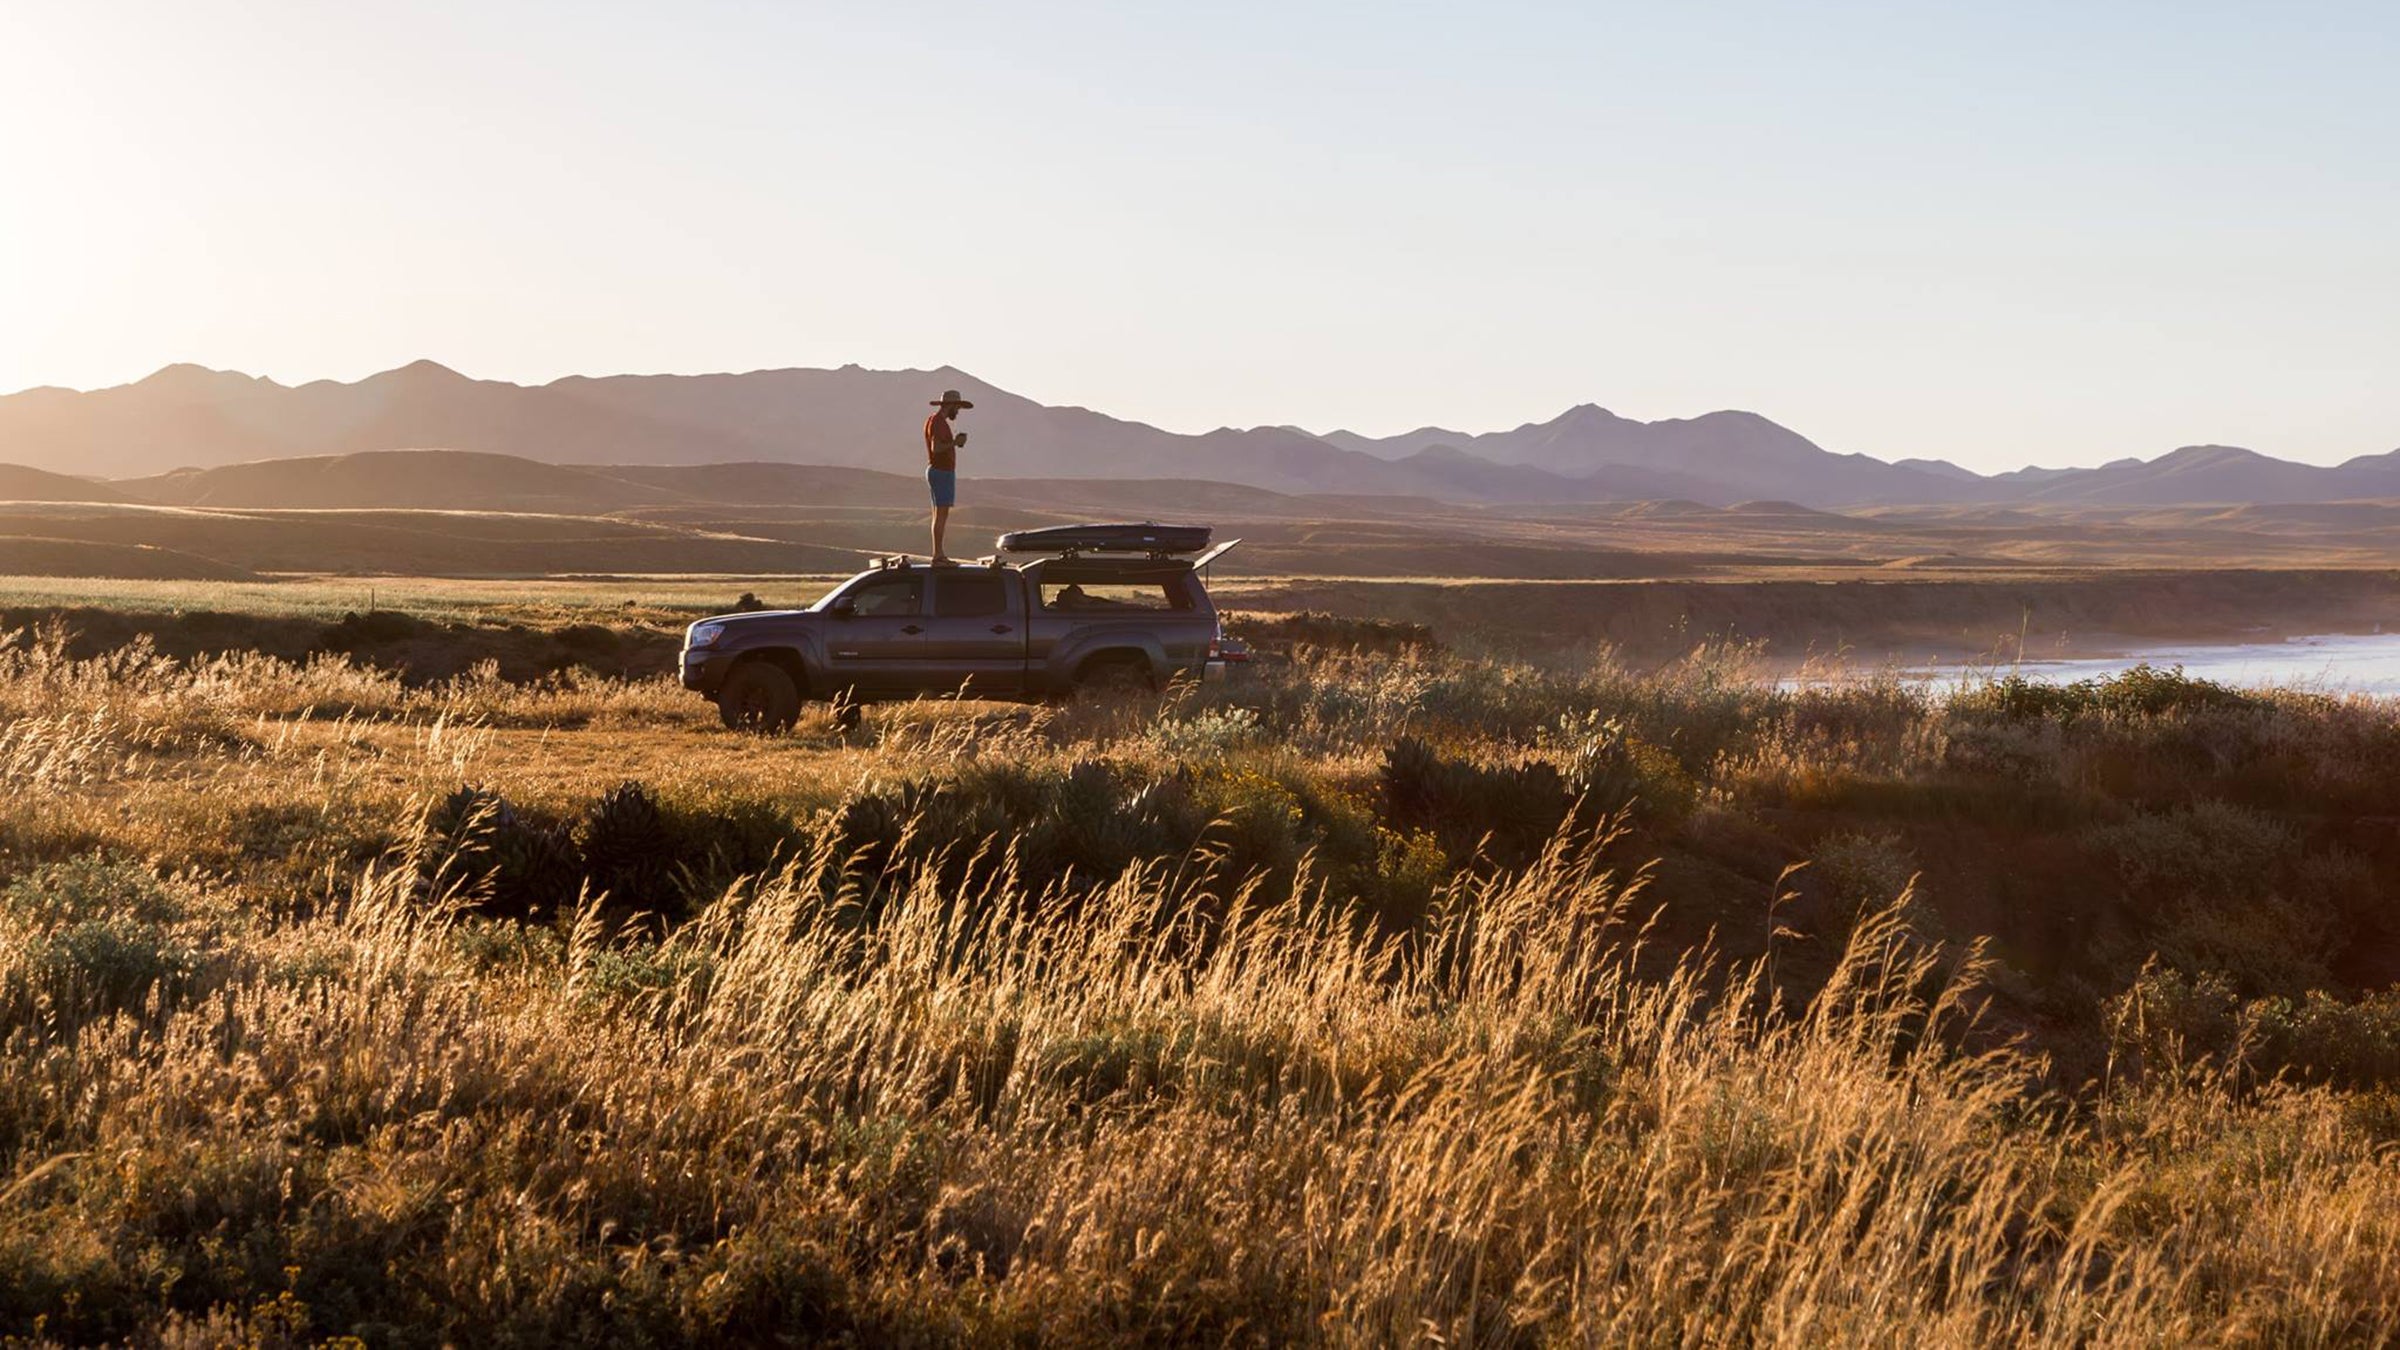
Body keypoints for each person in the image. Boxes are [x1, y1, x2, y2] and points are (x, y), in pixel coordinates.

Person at [923, 389, 972, 563]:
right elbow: (937, 448)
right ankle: (938, 554)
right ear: (950, 406)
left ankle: (938, 553)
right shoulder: (938, 423)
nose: (957, 411)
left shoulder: (934, 421)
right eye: (956, 407)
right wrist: (955, 443)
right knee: (941, 514)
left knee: (939, 514)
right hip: (941, 471)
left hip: (938, 470)